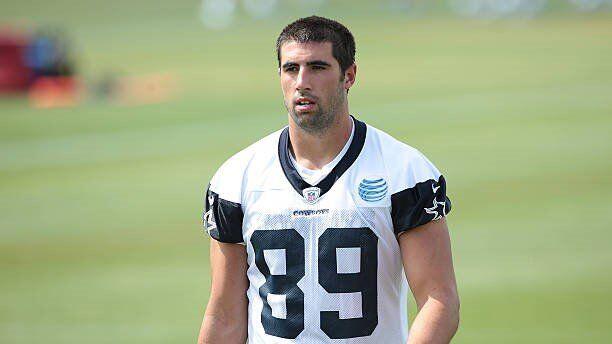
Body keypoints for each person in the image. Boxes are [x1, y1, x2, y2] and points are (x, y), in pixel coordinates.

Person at [198, 15, 459, 344]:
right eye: (291, 68)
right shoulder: (237, 178)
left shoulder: (404, 171)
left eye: (317, 68)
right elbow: (223, 315)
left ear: (349, 75)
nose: (302, 82)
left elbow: (440, 301)